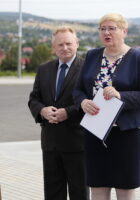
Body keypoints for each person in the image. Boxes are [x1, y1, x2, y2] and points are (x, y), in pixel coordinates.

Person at [73, 13, 140, 200]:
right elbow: (77, 91)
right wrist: (83, 102)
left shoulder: (138, 58)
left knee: (125, 189)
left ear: (124, 31)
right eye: (102, 29)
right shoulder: (92, 55)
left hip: (126, 135)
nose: (106, 32)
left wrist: (120, 96)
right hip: (95, 133)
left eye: (112, 28)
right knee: (98, 188)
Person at [28, 26, 87, 200]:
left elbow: (93, 101)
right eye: (60, 45)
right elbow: (33, 99)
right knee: (53, 193)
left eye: (69, 43)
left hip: (78, 143)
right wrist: (42, 110)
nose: (65, 48)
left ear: (77, 44)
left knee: (80, 193)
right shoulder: (44, 69)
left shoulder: (88, 69)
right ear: (53, 48)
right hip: (50, 144)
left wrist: (68, 112)